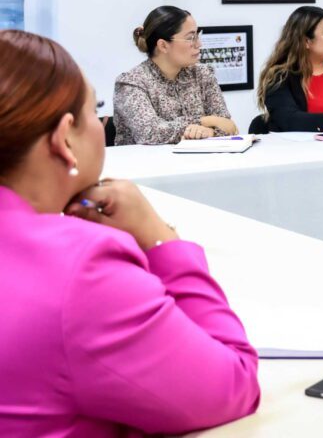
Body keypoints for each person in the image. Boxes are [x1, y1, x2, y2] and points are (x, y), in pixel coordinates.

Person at [0, 30, 260, 435]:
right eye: (95, 111)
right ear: (64, 138)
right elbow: (233, 384)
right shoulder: (82, 270)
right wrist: (160, 238)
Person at [114, 6, 236, 145]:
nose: (199, 44)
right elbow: (149, 133)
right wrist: (205, 121)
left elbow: (228, 127)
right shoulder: (131, 83)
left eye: (197, 35)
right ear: (163, 45)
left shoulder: (202, 74)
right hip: (148, 159)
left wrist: (209, 132)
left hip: (200, 158)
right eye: (190, 38)